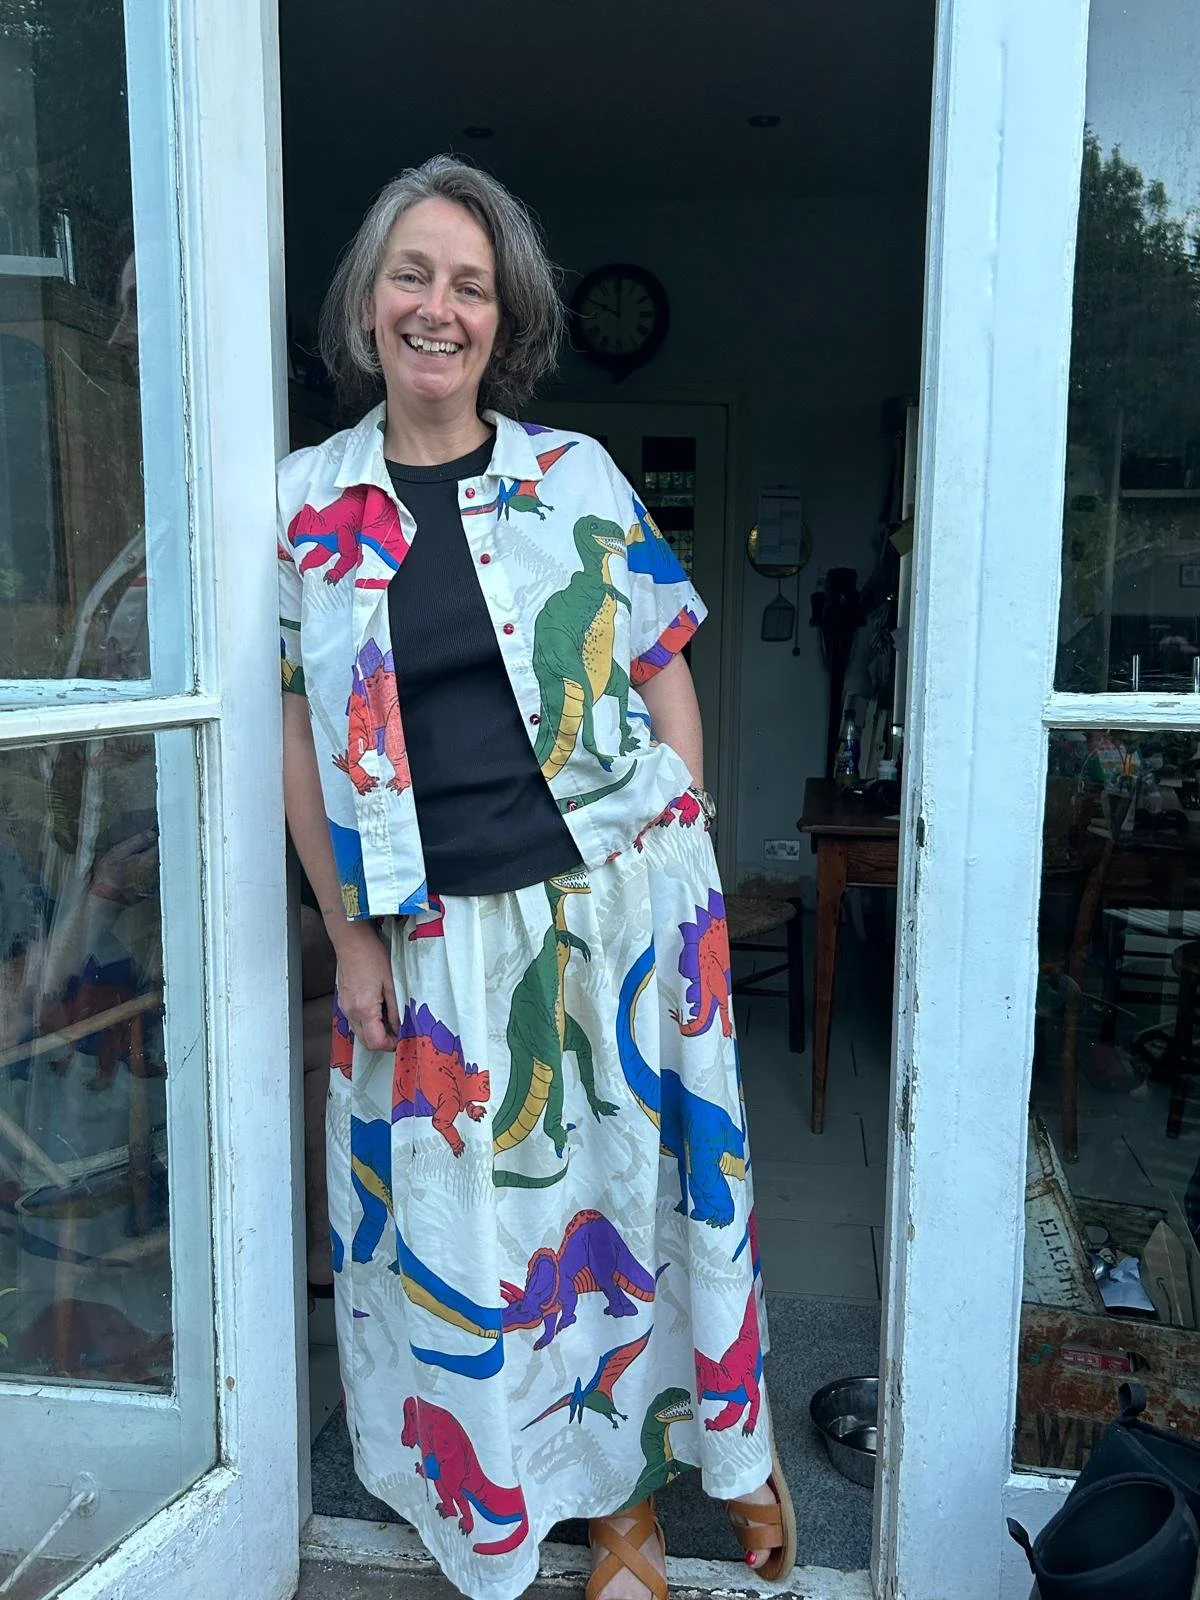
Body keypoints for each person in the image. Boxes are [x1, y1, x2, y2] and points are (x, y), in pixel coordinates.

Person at [277, 155, 795, 1600]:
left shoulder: (576, 478)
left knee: (622, 1224)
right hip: (435, 945)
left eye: (470, 286)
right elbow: (295, 738)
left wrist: (683, 833)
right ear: (367, 302)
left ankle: (632, 1511)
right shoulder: (302, 502)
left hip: (619, 917)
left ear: (505, 324)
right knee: (471, 1250)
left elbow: (662, 659)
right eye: (411, 275)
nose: (436, 308)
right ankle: (518, 1508)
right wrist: (350, 940)